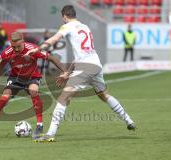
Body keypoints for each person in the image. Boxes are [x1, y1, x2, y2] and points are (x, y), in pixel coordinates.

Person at [26, 5, 136, 142]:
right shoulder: (85, 27)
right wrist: (67, 73)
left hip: (85, 67)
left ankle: (50, 133)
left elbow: (53, 40)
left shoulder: (67, 26)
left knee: (63, 97)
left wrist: (37, 49)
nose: (63, 20)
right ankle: (129, 120)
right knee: (104, 95)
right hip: (96, 64)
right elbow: (81, 55)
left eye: (63, 18)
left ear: (65, 16)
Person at [0, 32, 67, 140]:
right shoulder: (7, 53)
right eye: (13, 47)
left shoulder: (33, 49)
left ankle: (39, 125)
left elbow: (52, 58)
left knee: (33, 91)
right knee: (3, 99)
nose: (16, 49)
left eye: (18, 46)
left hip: (32, 77)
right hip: (15, 78)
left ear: (23, 42)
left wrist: (64, 72)